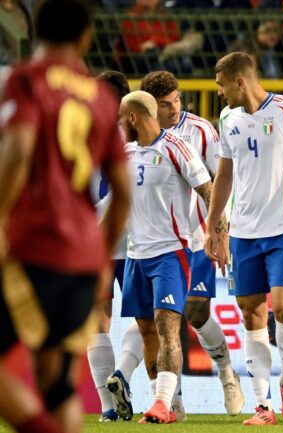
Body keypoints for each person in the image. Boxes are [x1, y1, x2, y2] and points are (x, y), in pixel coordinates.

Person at [0, 1, 130, 432]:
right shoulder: (100, 96)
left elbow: (17, 153)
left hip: (32, 243)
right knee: (56, 384)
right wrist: (100, 259)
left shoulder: (26, 80)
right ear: (85, 37)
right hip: (82, 254)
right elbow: (123, 188)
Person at [205, 52, 283, 426]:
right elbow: (224, 176)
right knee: (251, 313)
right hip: (244, 234)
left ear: (239, 81)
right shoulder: (228, 119)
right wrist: (215, 226)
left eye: (220, 84)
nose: (218, 92)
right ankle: (263, 404)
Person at [139, 70, 244, 418]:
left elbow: (220, 180)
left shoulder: (200, 130)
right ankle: (173, 402)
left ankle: (228, 373)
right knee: (161, 322)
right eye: (166, 104)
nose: (174, 109)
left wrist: (220, 232)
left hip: (198, 236)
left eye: (177, 100)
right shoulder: (138, 136)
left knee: (196, 313)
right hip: (155, 242)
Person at [118, 90, 224, 424]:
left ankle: (163, 404)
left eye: (122, 119)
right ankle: (161, 404)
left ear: (133, 118)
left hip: (170, 254)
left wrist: (219, 235)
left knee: (168, 327)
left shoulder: (177, 148)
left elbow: (209, 191)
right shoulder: (126, 153)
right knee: (147, 331)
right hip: (135, 255)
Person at [86, 70, 145, 424]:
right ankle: (113, 397)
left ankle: (116, 387)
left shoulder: (132, 144)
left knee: (134, 319)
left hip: (129, 242)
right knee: (103, 320)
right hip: (115, 244)